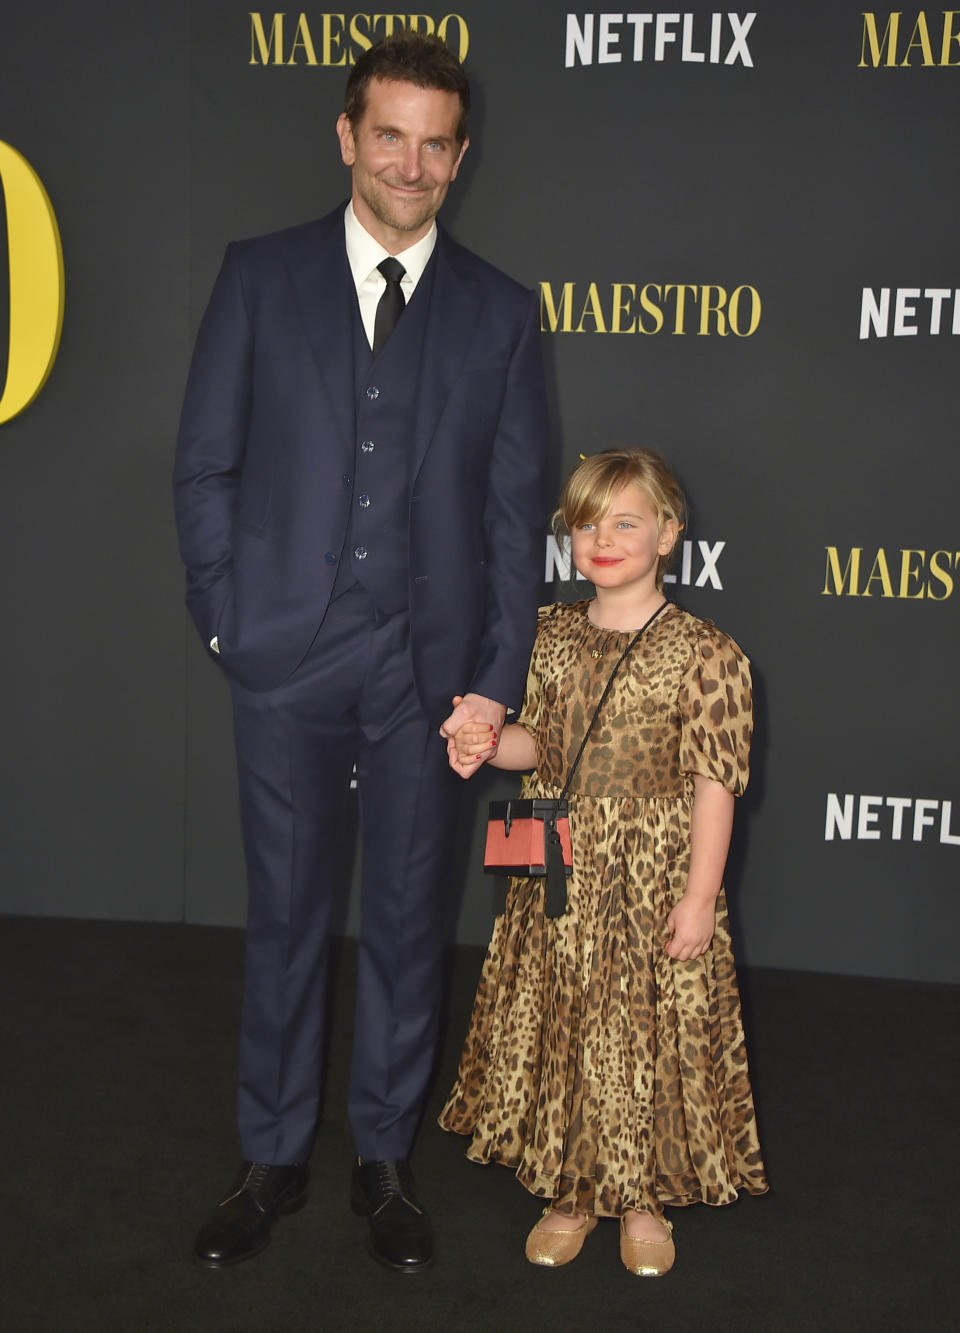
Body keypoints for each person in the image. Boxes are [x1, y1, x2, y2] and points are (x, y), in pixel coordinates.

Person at [173, 31, 547, 1272]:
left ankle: (382, 1158)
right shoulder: (259, 277)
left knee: (403, 917)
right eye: (389, 134)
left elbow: (510, 518)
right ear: (347, 136)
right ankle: (272, 1155)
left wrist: (495, 681)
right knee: (283, 914)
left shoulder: (501, 311)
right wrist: (233, 621)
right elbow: (207, 465)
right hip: (287, 656)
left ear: (461, 155)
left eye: (437, 143)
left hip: (432, 680)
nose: (412, 162)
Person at [440, 449, 767, 1275]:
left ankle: (644, 1195)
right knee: (569, 1013)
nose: (604, 538)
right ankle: (574, 1188)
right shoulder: (545, 632)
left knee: (645, 1022)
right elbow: (538, 746)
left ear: (668, 533)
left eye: (626, 521)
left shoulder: (707, 651)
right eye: (587, 523)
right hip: (558, 859)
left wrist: (700, 897)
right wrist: (485, 743)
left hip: (653, 870)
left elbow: (714, 784)